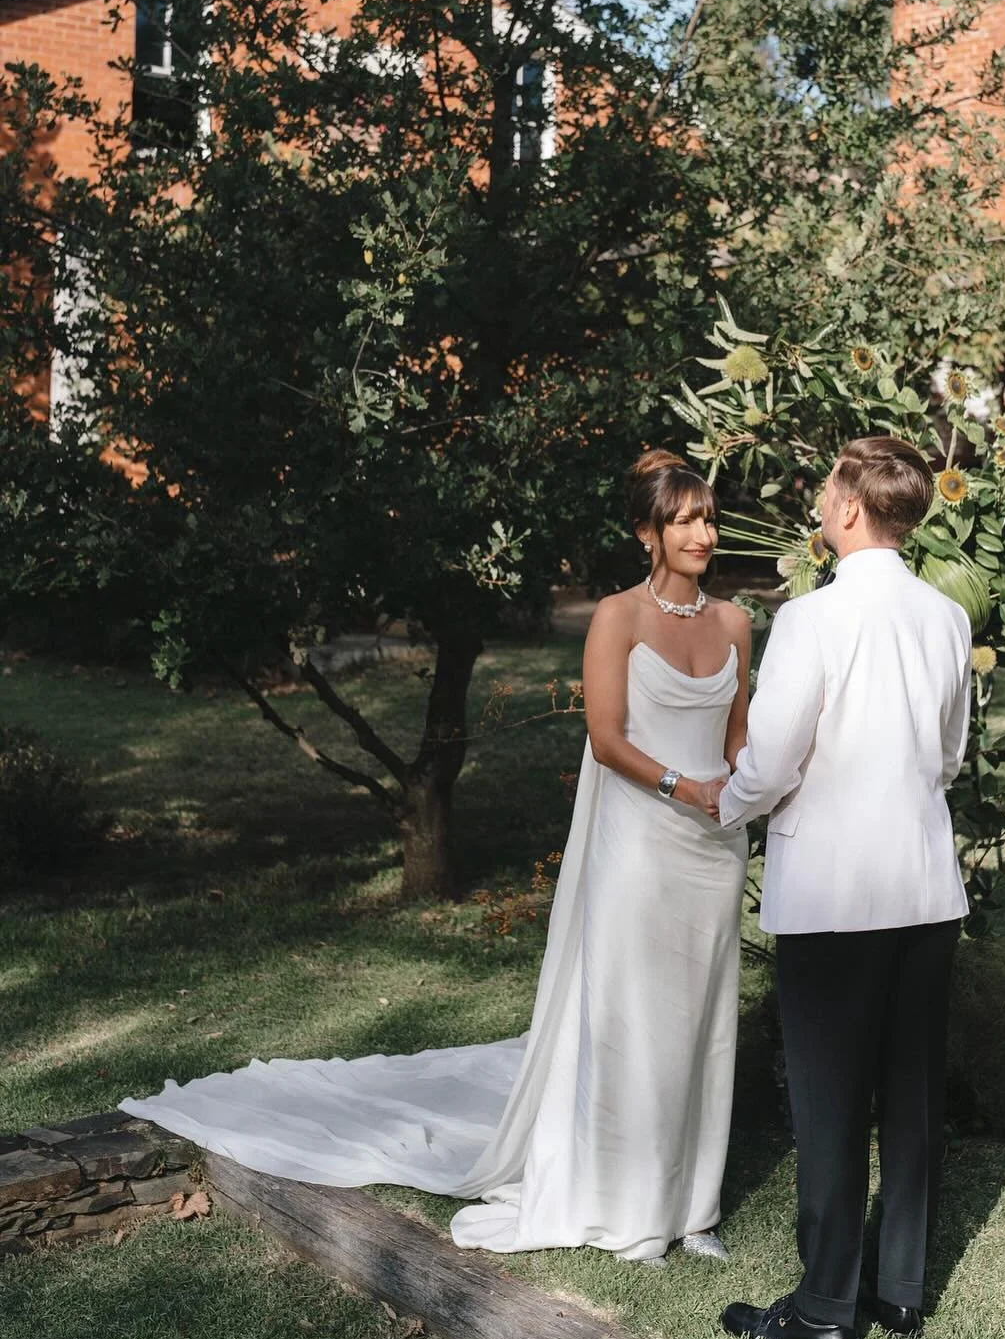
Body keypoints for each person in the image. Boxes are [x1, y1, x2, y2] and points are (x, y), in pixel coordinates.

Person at [121, 450, 752, 1266]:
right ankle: (628, 1201)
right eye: (684, 520)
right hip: (643, 841)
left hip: (713, 850)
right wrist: (683, 786)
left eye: (707, 517)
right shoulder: (617, 617)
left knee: (701, 1021)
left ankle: (691, 1204)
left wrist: (742, 787)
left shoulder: (736, 623)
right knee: (633, 1019)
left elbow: (739, 739)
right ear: (647, 533)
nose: (702, 532)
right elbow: (606, 738)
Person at [700, 435, 972, 1339]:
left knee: (827, 1105)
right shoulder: (946, 616)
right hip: (925, 886)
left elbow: (771, 762)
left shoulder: (810, 619)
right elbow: (947, 755)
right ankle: (899, 1290)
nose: (819, 500)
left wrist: (727, 805)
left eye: (825, 488)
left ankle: (822, 1309)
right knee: (910, 1095)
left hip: (832, 896)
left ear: (851, 507)